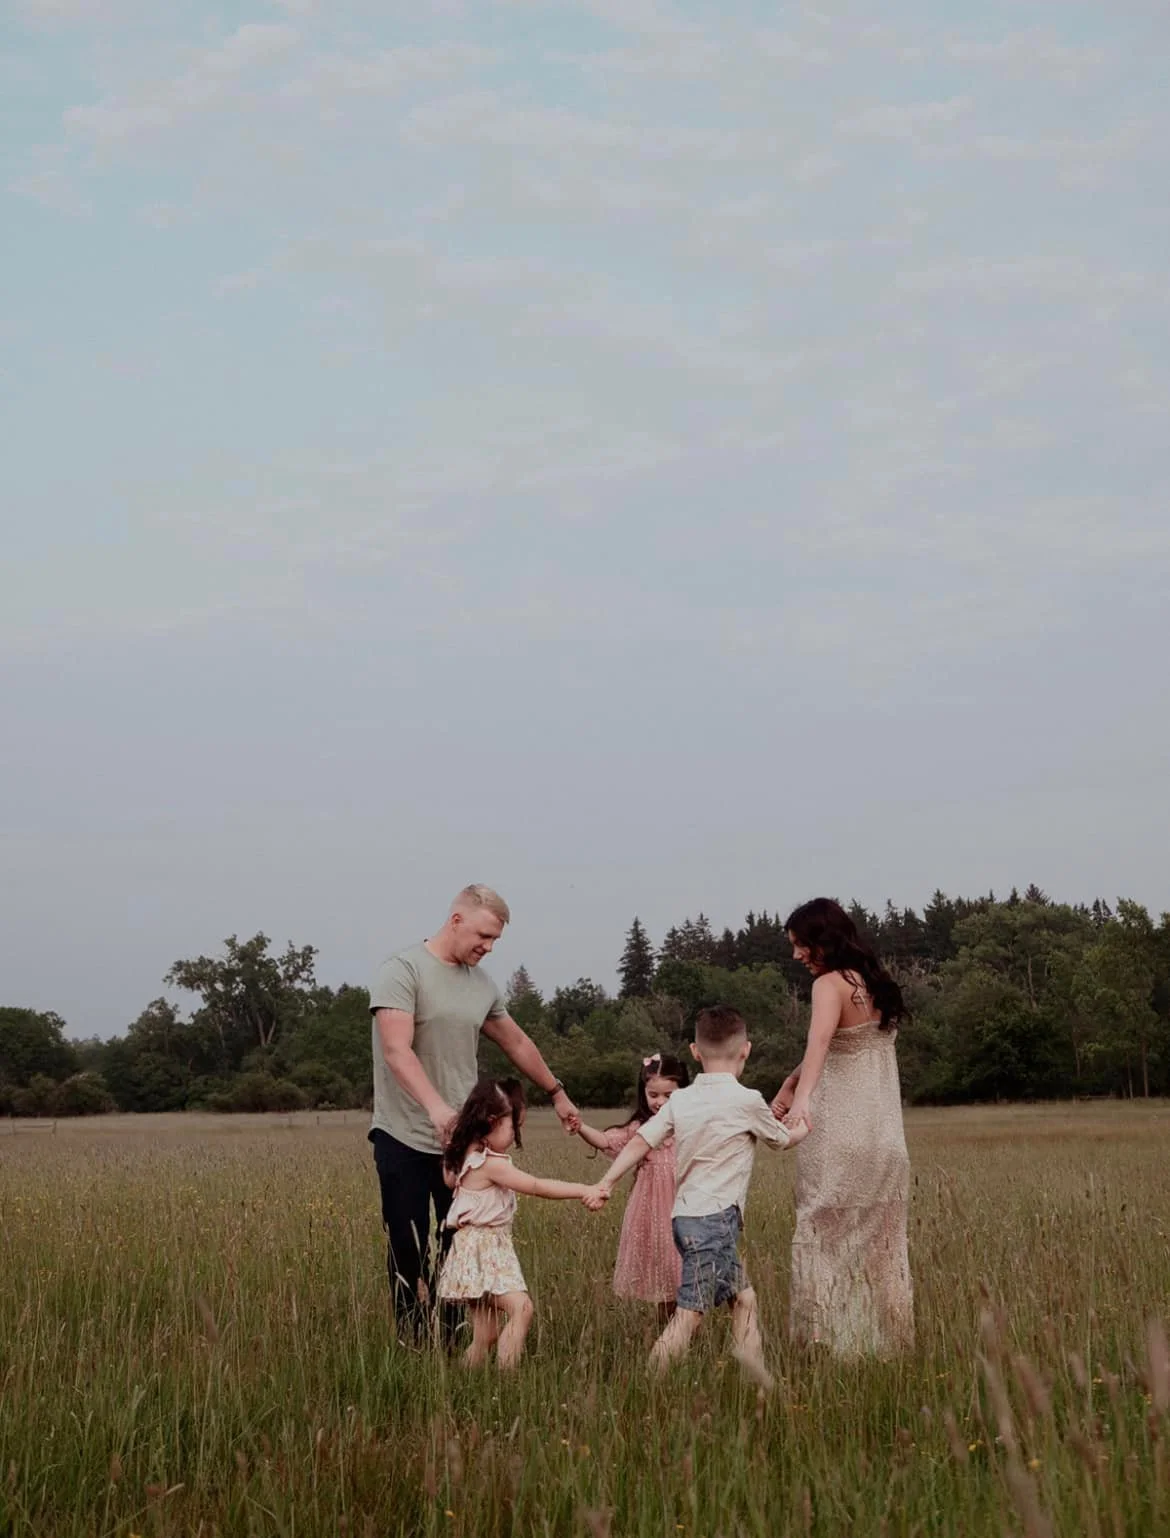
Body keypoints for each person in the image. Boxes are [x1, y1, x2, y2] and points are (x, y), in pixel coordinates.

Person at [368, 884, 579, 1343]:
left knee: (459, 1243)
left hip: (463, 1142)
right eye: (483, 935)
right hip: (403, 1133)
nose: (487, 947)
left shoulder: (481, 985)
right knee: (408, 1244)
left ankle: (455, 1337)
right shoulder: (402, 970)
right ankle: (413, 1339)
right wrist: (437, 1108)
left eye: (495, 941)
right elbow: (395, 1049)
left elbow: (517, 1042)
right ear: (456, 919)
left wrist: (556, 1091)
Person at [584, 1006, 808, 1386]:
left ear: (695, 1051)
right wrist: (802, 1128)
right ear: (746, 1050)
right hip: (714, 1221)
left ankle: (754, 1374)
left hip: (685, 1219)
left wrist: (607, 1181)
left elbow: (641, 1141)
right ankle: (646, 1385)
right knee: (689, 1314)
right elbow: (782, 1141)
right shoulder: (748, 1099)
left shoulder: (681, 1101)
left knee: (744, 1299)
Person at [773, 897, 914, 1359]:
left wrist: (803, 1101)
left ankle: (830, 1347)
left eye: (800, 945)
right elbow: (834, 1046)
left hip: (838, 1136)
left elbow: (818, 1045)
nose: (796, 955)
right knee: (883, 1245)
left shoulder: (829, 985)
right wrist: (792, 1082)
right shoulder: (875, 982)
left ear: (823, 941)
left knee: (822, 1237)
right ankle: (888, 1346)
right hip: (886, 1140)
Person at [437, 1077, 597, 1369]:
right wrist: (584, 1189)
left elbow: (449, 1179)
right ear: (492, 1121)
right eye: (513, 1126)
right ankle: (506, 1380)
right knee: (521, 1308)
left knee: (485, 1334)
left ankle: (461, 1380)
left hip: (472, 1248)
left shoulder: (467, 1157)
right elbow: (537, 1185)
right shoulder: (491, 1164)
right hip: (484, 1249)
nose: (514, 1134)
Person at [573, 1052, 690, 1320]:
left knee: (685, 1273)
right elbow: (604, 1141)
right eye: (653, 1095)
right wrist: (580, 1126)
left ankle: (686, 1332)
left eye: (669, 1096)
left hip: (683, 1209)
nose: (660, 1103)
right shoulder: (640, 1128)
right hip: (652, 1214)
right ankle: (668, 1332)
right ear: (643, 1093)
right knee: (664, 1275)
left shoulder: (689, 1127)